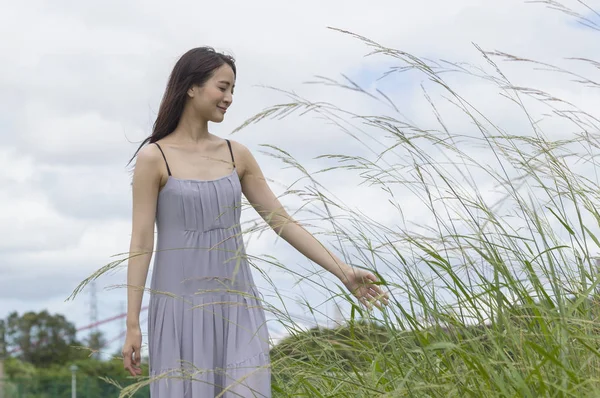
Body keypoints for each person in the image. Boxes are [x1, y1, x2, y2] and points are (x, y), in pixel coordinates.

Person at [121, 47, 389, 397]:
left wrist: (343, 271)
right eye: (222, 87)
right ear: (191, 87)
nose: (229, 98)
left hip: (237, 306)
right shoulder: (154, 158)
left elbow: (283, 222)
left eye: (233, 90)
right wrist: (132, 323)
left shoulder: (237, 154)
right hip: (180, 310)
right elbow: (141, 244)